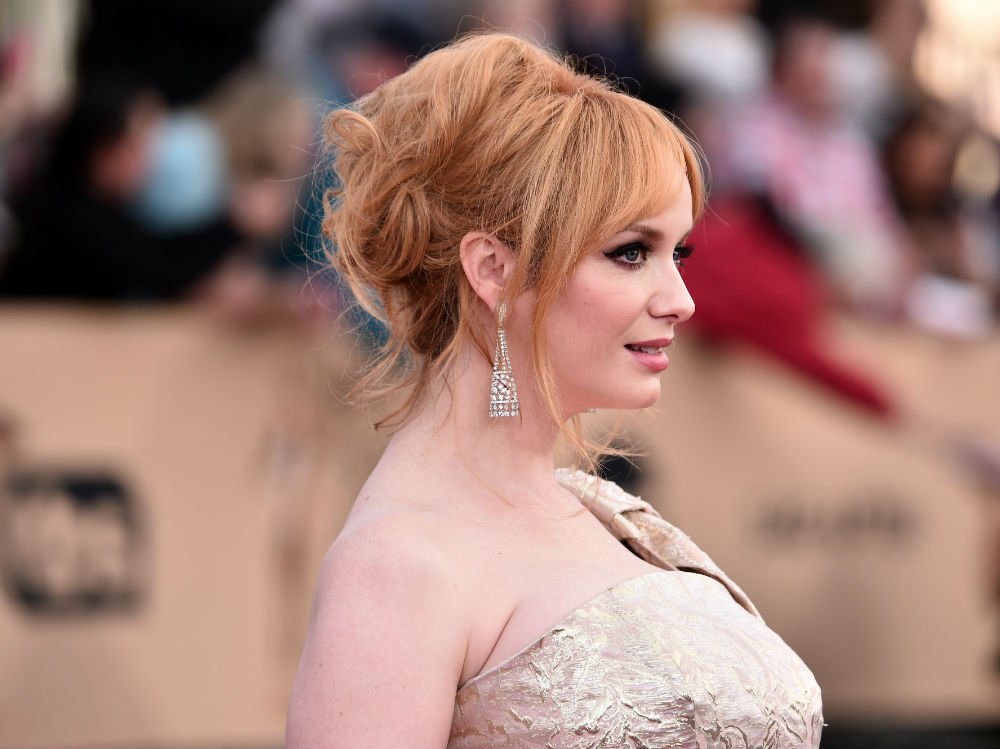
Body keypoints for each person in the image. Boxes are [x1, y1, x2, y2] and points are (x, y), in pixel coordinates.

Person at [286, 32, 822, 748]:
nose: (681, 300)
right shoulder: (396, 566)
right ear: (494, 270)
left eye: (678, 252)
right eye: (631, 253)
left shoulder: (611, 515)